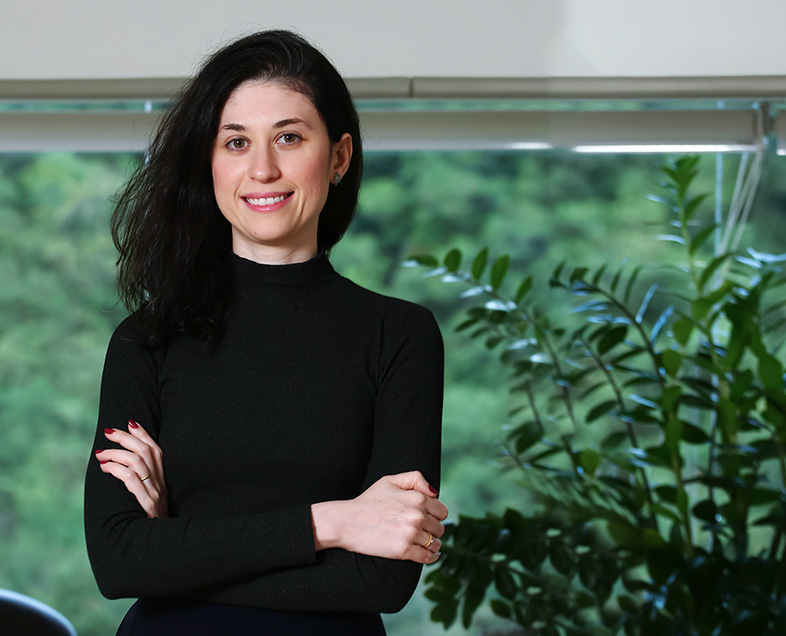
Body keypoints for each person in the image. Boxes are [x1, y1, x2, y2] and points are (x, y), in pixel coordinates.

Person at [83, 30, 447, 636]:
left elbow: (382, 579)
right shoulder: (145, 339)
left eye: (289, 137)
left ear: (338, 156)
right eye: (235, 142)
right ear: (210, 161)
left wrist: (178, 548)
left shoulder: (399, 335)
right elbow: (119, 562)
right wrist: (331, 523)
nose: (262, 169)